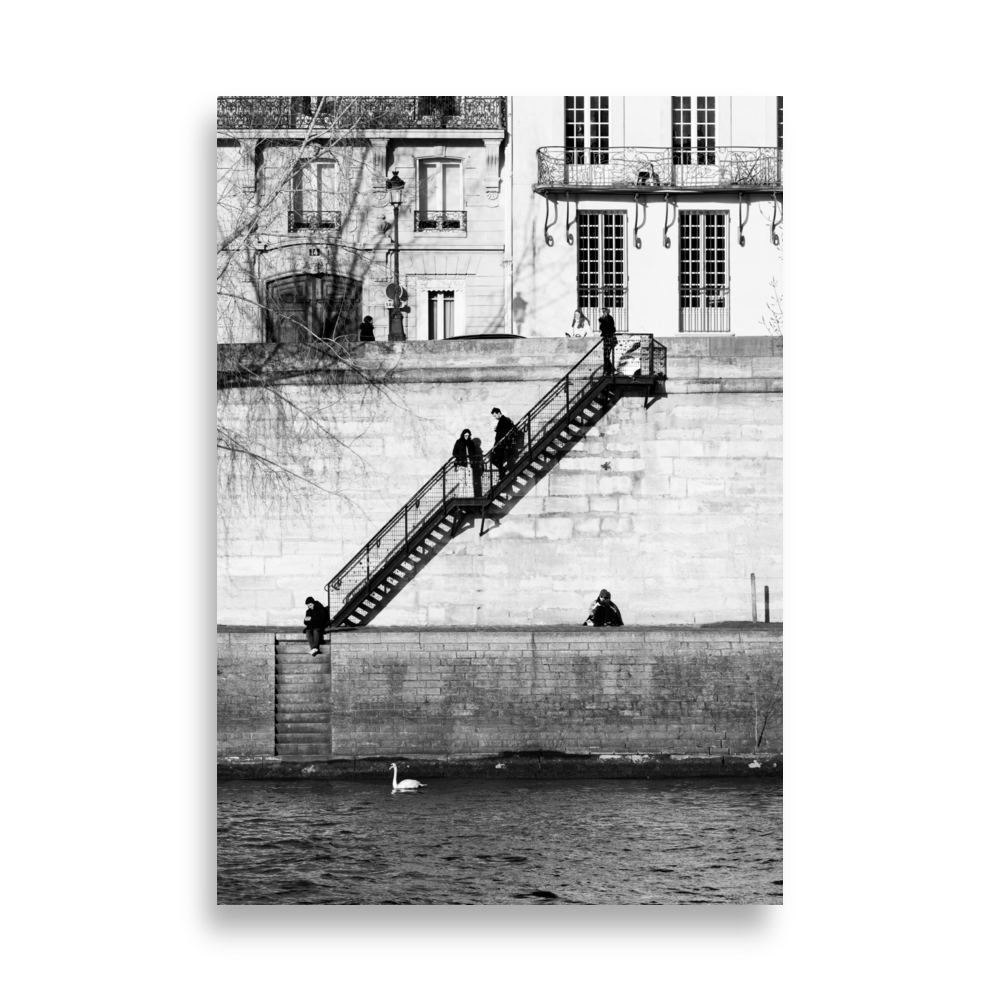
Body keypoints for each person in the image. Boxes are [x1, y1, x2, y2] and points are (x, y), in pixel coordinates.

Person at [490, 407, 515, 476]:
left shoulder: (504, 420)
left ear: (499, 413)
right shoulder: (503, 420)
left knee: (494, 459)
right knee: (498, 460)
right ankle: (502, 472)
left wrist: (495, 445)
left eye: (495, 415)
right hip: (500, 444)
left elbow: (504, 432)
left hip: (501, 444)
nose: (495, 417)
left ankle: (502, 472)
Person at [452, 428, 474, 495]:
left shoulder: (471, 443)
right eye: (465, 435)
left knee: (470, 482)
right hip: (461, 464)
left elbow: (473, 452)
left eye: (468, 435)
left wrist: (472, 460)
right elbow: (454, 452)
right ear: (463, 435)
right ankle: (462, 496)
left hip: (469, 464)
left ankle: (470, 497)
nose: (467, 437)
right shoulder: (459, 442)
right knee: (462, 481)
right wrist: (460, 457)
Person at [598, 308, 617, 375]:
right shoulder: (605, 319)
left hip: (609, 339)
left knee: (606, 356)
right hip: (607, 339)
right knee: (606, 356)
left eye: (602, 312)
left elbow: (608, 328)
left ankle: (609, 370)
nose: (601, 314)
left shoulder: (608, 319)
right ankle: (609, 370)